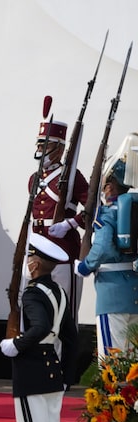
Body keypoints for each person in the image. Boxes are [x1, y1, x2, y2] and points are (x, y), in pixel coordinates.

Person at [0, 233, 78, 422]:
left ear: (36, 264)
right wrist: (67, 378)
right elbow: (70, 338)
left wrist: (16, 344)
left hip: (32, 375)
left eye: (31, 258)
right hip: (52, 376)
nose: (28, 263)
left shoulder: (32, 294)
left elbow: (41, 327)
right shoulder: (59, 292)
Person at [75, 135, 138, 356]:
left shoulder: (108, 213)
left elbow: (102, 248)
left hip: (111, 295)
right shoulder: (134, 210)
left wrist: (84, 266)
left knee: (112, 362)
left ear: (110, 186)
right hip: (134, 294)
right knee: (132, 364)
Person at [29, 119, 88, 320]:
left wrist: (71, 223)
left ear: (59, 148)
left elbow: (92, 208)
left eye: (45, 144)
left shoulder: (72, 177)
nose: (40, 148)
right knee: (38, 312)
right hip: (37, 253)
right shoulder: (34, 179)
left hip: (63, 251)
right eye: (39, 144)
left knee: (64, 314)